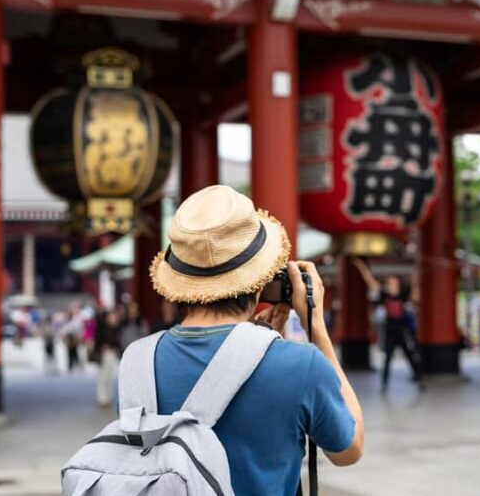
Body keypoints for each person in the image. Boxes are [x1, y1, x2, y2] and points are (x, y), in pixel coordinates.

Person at [146, 185, 363, 494]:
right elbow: (349, 449)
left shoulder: (137, 363)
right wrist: (317, 330)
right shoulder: (300, 365)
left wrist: (254, 347)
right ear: (260, 281)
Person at [352, 257, 424, 393]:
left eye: (393, 283)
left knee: (410, 355)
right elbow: (371, 282)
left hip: (402, 330)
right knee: (387, 359)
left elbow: (415, 297)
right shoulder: (384, 295)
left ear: (397, 284)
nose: (391, 285)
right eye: (389, 283)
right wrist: (362, 268)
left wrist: (416, 278)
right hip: (390, 331)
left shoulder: (403, 295)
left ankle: (419, 380)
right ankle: (384, 384)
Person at [94, 309, 122, 407]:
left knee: (110, 377)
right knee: (103, 376)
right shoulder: (102, 329)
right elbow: (98, 342)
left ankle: (108, 397)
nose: (113, 319)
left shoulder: (116, 329)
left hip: (113, 355)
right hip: (104, 355)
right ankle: (102, 398)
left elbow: (118, 342)